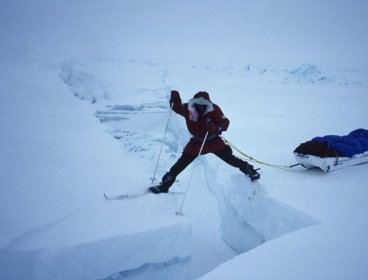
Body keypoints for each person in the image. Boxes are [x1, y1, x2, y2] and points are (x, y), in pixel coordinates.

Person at [149, 90, 260, 194]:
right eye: (198, 102)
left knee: (230, 159)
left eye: (204, 103)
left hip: (213, 142)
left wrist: (217, 128)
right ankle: (164, 186)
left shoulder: (214, 109)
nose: (201, 105)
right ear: (194, 102)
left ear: (208, 103)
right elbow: (176, 108)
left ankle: (250, 170)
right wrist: (175, 98)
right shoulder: (188, 109)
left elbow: (225, 122)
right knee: (180, 165)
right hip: (196, 144)